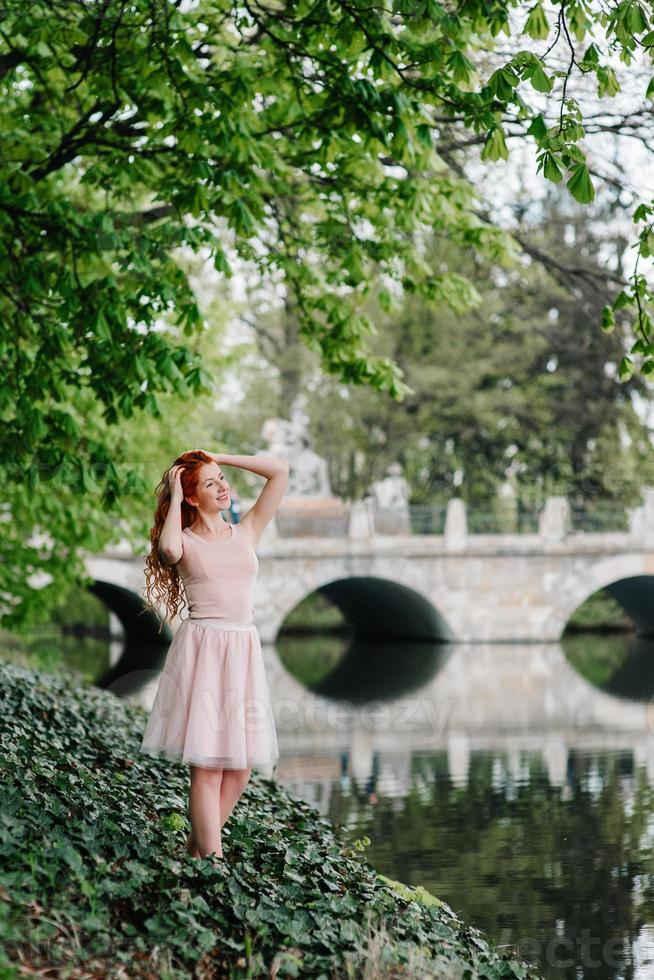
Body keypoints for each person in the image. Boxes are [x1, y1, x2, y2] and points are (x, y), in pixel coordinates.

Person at [140, 448, 289, 860]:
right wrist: (173, 488)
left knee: (239, 769)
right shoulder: (184, 541)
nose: (223, 486)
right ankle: (214, 864)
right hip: (204, 650)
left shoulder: (248, 530)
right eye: (210, 483)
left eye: (222, 478)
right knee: (207, 766)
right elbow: (168, 551)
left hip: (242, 650)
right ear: (191, 498)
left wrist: (216, 456)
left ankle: (194, 852)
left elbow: (279, 472)